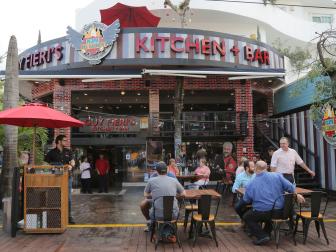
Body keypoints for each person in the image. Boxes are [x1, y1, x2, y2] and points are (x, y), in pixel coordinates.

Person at [242, 161, 305, 245]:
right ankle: (267, 233)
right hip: (280, 212)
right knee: (269, 213)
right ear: (266, 168)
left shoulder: (251, 183)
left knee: (247, 217)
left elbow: (246, 200)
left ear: (256, 169)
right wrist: (297, 195)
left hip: (263, 212)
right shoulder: (277, 176)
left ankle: (262, 236)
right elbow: (291, 187)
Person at [140, 161, 186, 232]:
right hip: (173, 215)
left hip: (157, 215)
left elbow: (145, 194)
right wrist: (173, 195)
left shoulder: (151, 180)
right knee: (145, 203)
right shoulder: (174, 180)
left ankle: (151, 223)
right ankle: (166, 228)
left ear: (157, 171)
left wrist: (155, 194)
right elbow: (184, 194)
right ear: (167, 169)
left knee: (151, 207)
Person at [45, 134, 76, 224]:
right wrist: (52, 167)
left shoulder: (68, 151)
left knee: (68, 198)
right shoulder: (51, 153)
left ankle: (69, 216)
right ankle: (57, 217)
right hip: (55, 178)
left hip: (67, 177)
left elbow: (73, 161)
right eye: (64, 140)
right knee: (55, 197)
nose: (66, 142)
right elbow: (45, 164)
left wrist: (71, 165)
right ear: (59, 141)